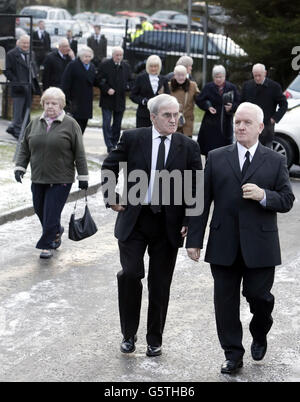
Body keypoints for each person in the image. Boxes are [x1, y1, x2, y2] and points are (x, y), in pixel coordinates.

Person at [186, 102, 295, 374]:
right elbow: (202, 200)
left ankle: (260, 331)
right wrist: (194, 240)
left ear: (260, 127)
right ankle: (233, 354)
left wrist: (264, 196)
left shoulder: (275, 160)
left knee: (260, 297)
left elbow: (287, 200)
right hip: (223, 243)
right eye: (237, 122)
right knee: (225, 303)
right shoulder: (217, 156)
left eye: (247, 123)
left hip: (260, 245)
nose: (241, 127)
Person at [101, 94, 202, 357]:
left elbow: (196, 186)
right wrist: (111, 196)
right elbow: (109, 165)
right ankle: (128, 334)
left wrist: (190, 220)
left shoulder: (188, 146)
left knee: (160, 283)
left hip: (168, 224)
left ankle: (154, 338)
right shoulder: (133, 138)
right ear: (153, 117)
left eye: (176, 114)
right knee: (131, 274)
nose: (173, 119)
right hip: (135, 220)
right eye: (167, 115)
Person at [14, 87, 89, 259]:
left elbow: (79, 152)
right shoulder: (34, 123)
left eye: (54, 103)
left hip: (61, 179)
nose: (50, 106)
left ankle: (47, 245)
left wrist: (83, 176)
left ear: (61, 105)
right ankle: (56, 230)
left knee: (51, 213)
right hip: (39, 177)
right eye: (47, 103)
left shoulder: (71, 124)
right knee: (41, 210)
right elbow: (25, 147)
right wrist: (20, 167)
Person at [196, 64, 239, 157]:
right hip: (210, 124)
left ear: (224, 76)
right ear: (213, 77)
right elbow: (199, 100)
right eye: (216, 77)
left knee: (224, 152)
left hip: (225, 124)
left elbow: (239, 102)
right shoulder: (208, 87)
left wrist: (232, 107)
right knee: (210, 151)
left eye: (220, 77)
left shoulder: (231, 87)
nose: (218, 79)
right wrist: (208, 107)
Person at [241, 63, 288, 148]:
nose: (257, 78)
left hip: (267, 127)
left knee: (266, 156)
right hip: (250, 127)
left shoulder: (274, 87)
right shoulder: (247, 86)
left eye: (259, 75)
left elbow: (284, 104)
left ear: (265, 73)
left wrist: (274, 118)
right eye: (255, 76)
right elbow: (241, 103)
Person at [5, 35, 41, 139]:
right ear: (18, 43)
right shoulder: (11, 54)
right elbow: (7, 70)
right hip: (18, 88)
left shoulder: (31, 53)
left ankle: (24, 132)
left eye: (27, 43)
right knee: (18, 111)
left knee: (27, 111)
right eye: (23, 43)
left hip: (29, 87)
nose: (25, 45)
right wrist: (16, 81)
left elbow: (34, 68)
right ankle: (16, 131)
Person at [97, 46, 132, 153]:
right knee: (106, 123)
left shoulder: (126, 66)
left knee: (117, 124)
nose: (119, 57)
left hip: (120, 99)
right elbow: (99, 80)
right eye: (117, 55)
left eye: (120, 55)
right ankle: (109, 145)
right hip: (107, 99)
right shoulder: (105, 65)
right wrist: (107, 89)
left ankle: (114, 143)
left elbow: (130, 80)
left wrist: (127, 87)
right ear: (112, 55)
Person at [62, 45, 96, 134]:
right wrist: (67, 99)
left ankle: (78, 143)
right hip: (75, 100)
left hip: (86, 101)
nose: (87, 59)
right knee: (74, 127)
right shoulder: (73, 65)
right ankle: (74, 144)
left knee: (83, 126)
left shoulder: (92, 67)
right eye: (85, 56)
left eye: (89, 57)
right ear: (80, 56)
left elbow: (94, 80)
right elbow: (66, 83)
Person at [130, 54, 170, 128]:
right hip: (143, 115)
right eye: (151, 66)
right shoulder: (140, 78)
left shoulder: (163, 80)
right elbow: (133, 95)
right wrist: (142, 101)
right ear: (148, 66)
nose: (153, 69)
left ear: (159, 67)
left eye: (156, 66)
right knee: (142, 137)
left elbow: (168, 97)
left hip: (159, 116)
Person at [169, 65, 200, 137]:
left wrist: (207, 105)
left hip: (187, 122)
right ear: (174, 75)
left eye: (183, 75)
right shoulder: (168, 86)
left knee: (186, 144)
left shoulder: (192, 86)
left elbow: (199, 99)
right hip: (172, 121)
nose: (181, 77)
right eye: (178, 75)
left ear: (186, 75)